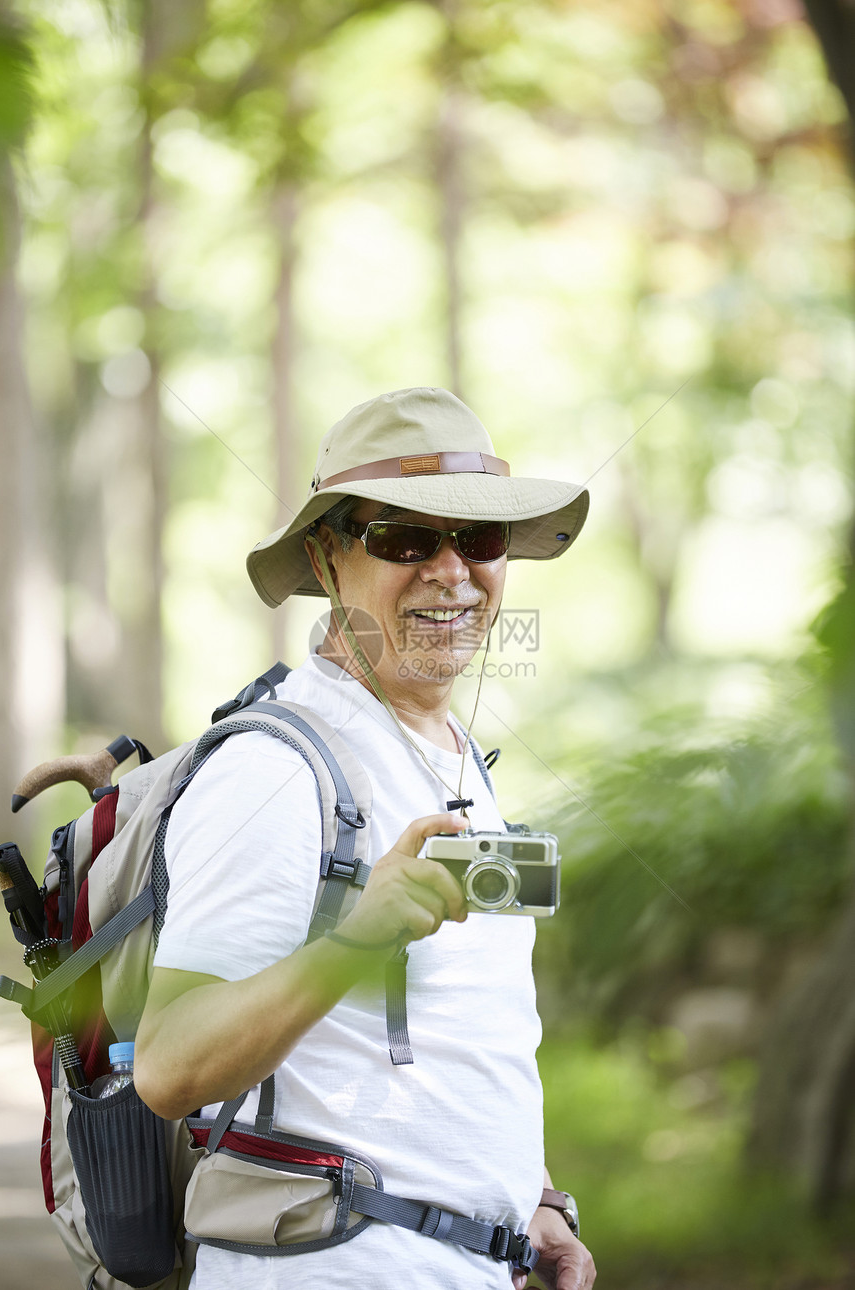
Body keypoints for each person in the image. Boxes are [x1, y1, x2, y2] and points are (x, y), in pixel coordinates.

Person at [134, 386, 596, 1290]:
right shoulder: (275, 771)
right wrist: (357, 943)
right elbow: (168, 1066)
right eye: (404, 539)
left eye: (481, 539)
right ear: (327, 556)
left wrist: (531, 1201)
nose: (451, 570)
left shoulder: (458, 761)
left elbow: (464, 1035)